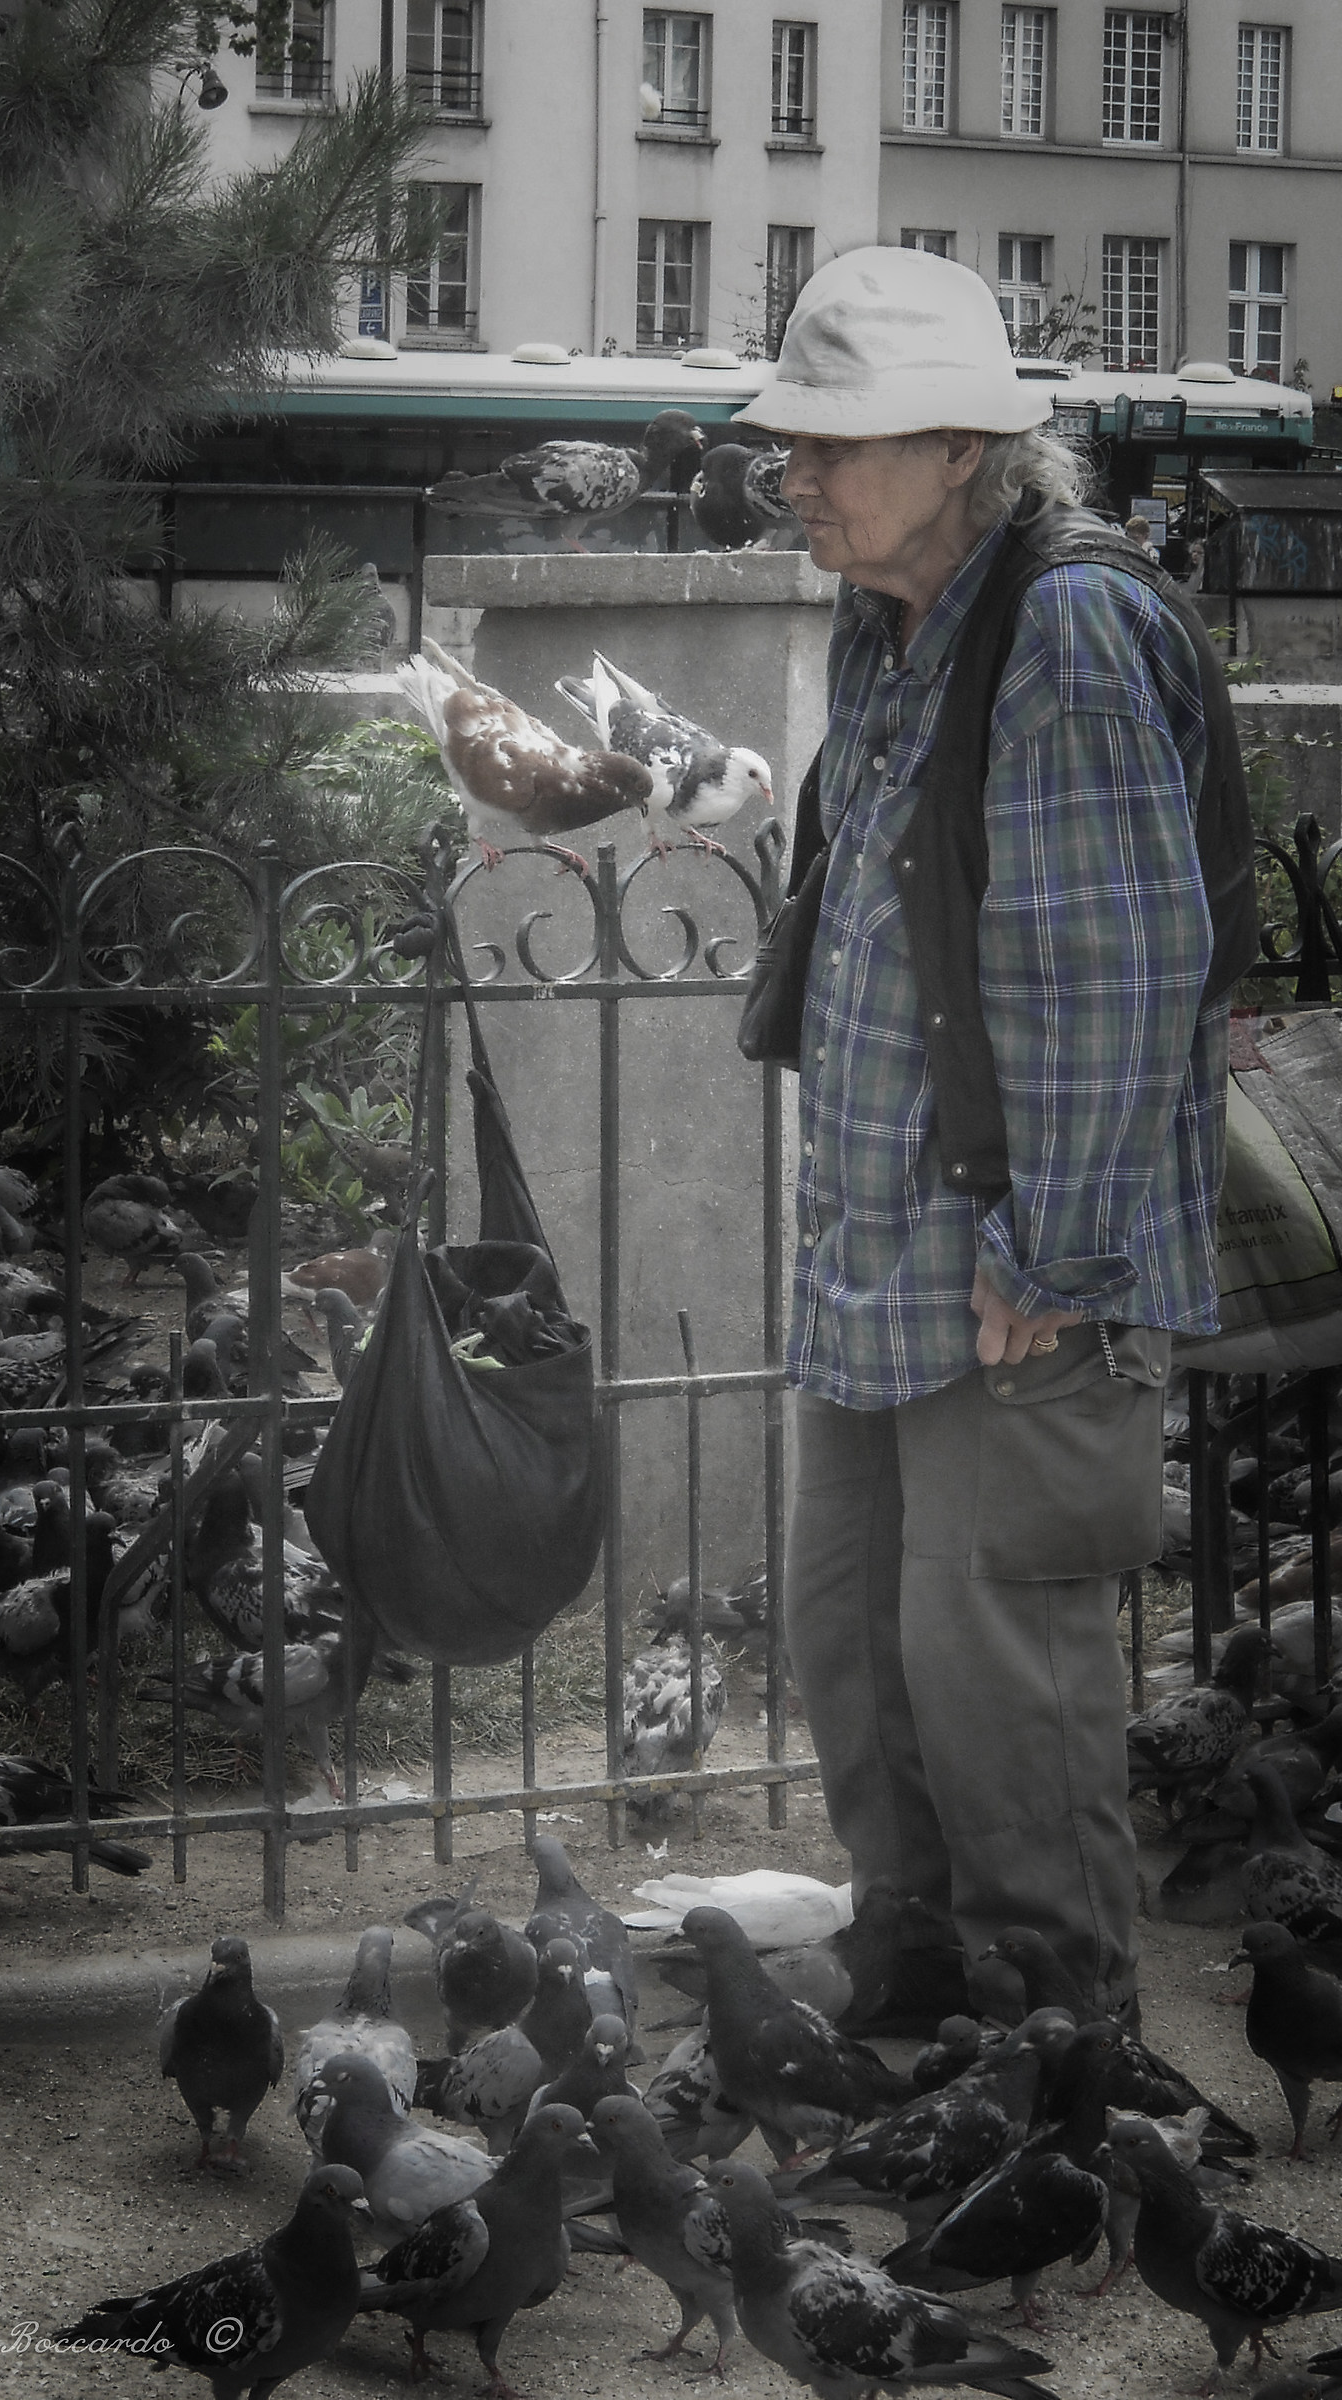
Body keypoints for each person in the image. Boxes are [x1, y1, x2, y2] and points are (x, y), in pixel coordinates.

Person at [732, 247, 1253, 2020]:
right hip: (886, 1247)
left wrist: (1057, 1253)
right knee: (857, 1640)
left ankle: (1055, 2042)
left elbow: (1120, 975)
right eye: (785, 440)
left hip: (1015, 1265)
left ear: (962, 446)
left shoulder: (1067, 625)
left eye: (835, 441)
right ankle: (921, 1983)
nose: (794, 474)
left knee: (1001, 1669)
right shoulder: (885, 616)